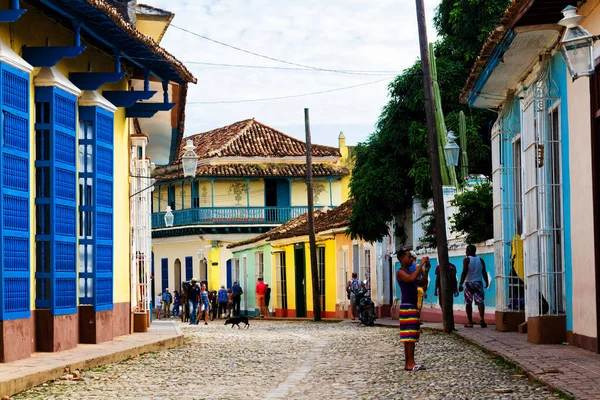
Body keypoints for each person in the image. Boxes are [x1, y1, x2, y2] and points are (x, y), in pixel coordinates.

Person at [396, 248, 430, 372]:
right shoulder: (400, 272)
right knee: (409, 335)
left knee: (412, 335)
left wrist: (425, 271)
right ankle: (409, 362)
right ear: (401, 258)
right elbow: (410, 280)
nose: (411, 259)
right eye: (409, 256)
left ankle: (410, 362)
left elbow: (421, 283)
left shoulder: (409, 271)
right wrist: (420, 264)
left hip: (412, 305)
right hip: (407, 306)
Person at [459, 244, 489, 328]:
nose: (465, 252)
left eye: (466, 250)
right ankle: (482, 319)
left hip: (469, 283)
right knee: (480, 301)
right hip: (478, 283)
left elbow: (464, 272)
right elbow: (484, 272)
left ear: (469, 251)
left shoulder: (466, 260)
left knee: (468, 302)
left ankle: (470, 322)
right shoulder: (481, 260)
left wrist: (461, 284)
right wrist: (486, 281)